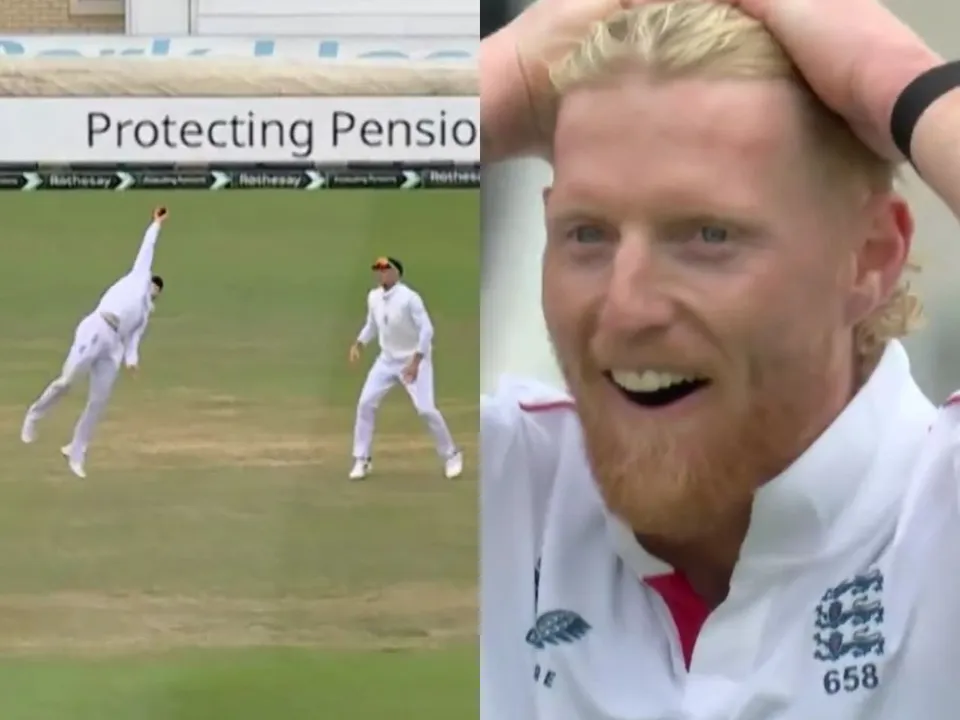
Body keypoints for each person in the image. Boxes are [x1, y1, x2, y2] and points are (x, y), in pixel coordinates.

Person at [480, 0, 960, 717]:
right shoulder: (502, 490)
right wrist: (497, 82)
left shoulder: (940, 517)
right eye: (586, 234)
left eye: (708, 235)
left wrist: (898, 81)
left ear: (871, 256)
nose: (627, 306)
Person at [21, 207, 167, 479]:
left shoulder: (145, 313)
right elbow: (148, 247)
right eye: (154, 285)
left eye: (158, 290)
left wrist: (132, 362)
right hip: (98, 327)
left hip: (113, 347)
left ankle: (76, 450)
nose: (155, 291)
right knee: (66, 382)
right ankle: (34, 415)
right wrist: (156, 224)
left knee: (99, 400)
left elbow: (133, 340)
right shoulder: (137, 277)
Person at [348, 256, 463, 481]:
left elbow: (427, 330)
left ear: (396, 273)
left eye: (385, 270)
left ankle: (451, 454)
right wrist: (359, 343)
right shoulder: (373, 297)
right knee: (365, 403)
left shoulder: (410, 298)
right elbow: (372, 325)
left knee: (426, 409)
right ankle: (362, 459)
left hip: (413, 360)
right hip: (386, 360)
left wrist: (416, 361)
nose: (381, 274)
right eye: (378, 270)